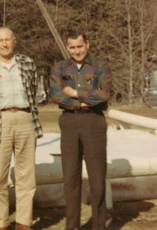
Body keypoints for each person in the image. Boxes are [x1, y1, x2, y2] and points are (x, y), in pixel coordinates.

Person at [0, 27, 43, 230]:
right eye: (0, 40)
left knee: (26, 175)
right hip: (0, 121)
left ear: (15, 41)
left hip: (25, 118)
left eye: (8, 39)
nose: (4, 44)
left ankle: (24, 222)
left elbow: (34, 91)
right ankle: (1, 223)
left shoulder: (27, 63)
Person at [50, 30, 112, 230]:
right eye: (72, 47)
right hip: (68, 123)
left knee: (97, 180)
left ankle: (99, 226)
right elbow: (57, 96)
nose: (76, 51)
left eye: (80, 46)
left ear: (87, 44)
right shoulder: (59, 67)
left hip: (94, 123)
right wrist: (86, 100)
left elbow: (104, 95)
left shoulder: (101, 66)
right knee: (71, 179)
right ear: (67, 47)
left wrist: (75, 93)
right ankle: (72, 226)